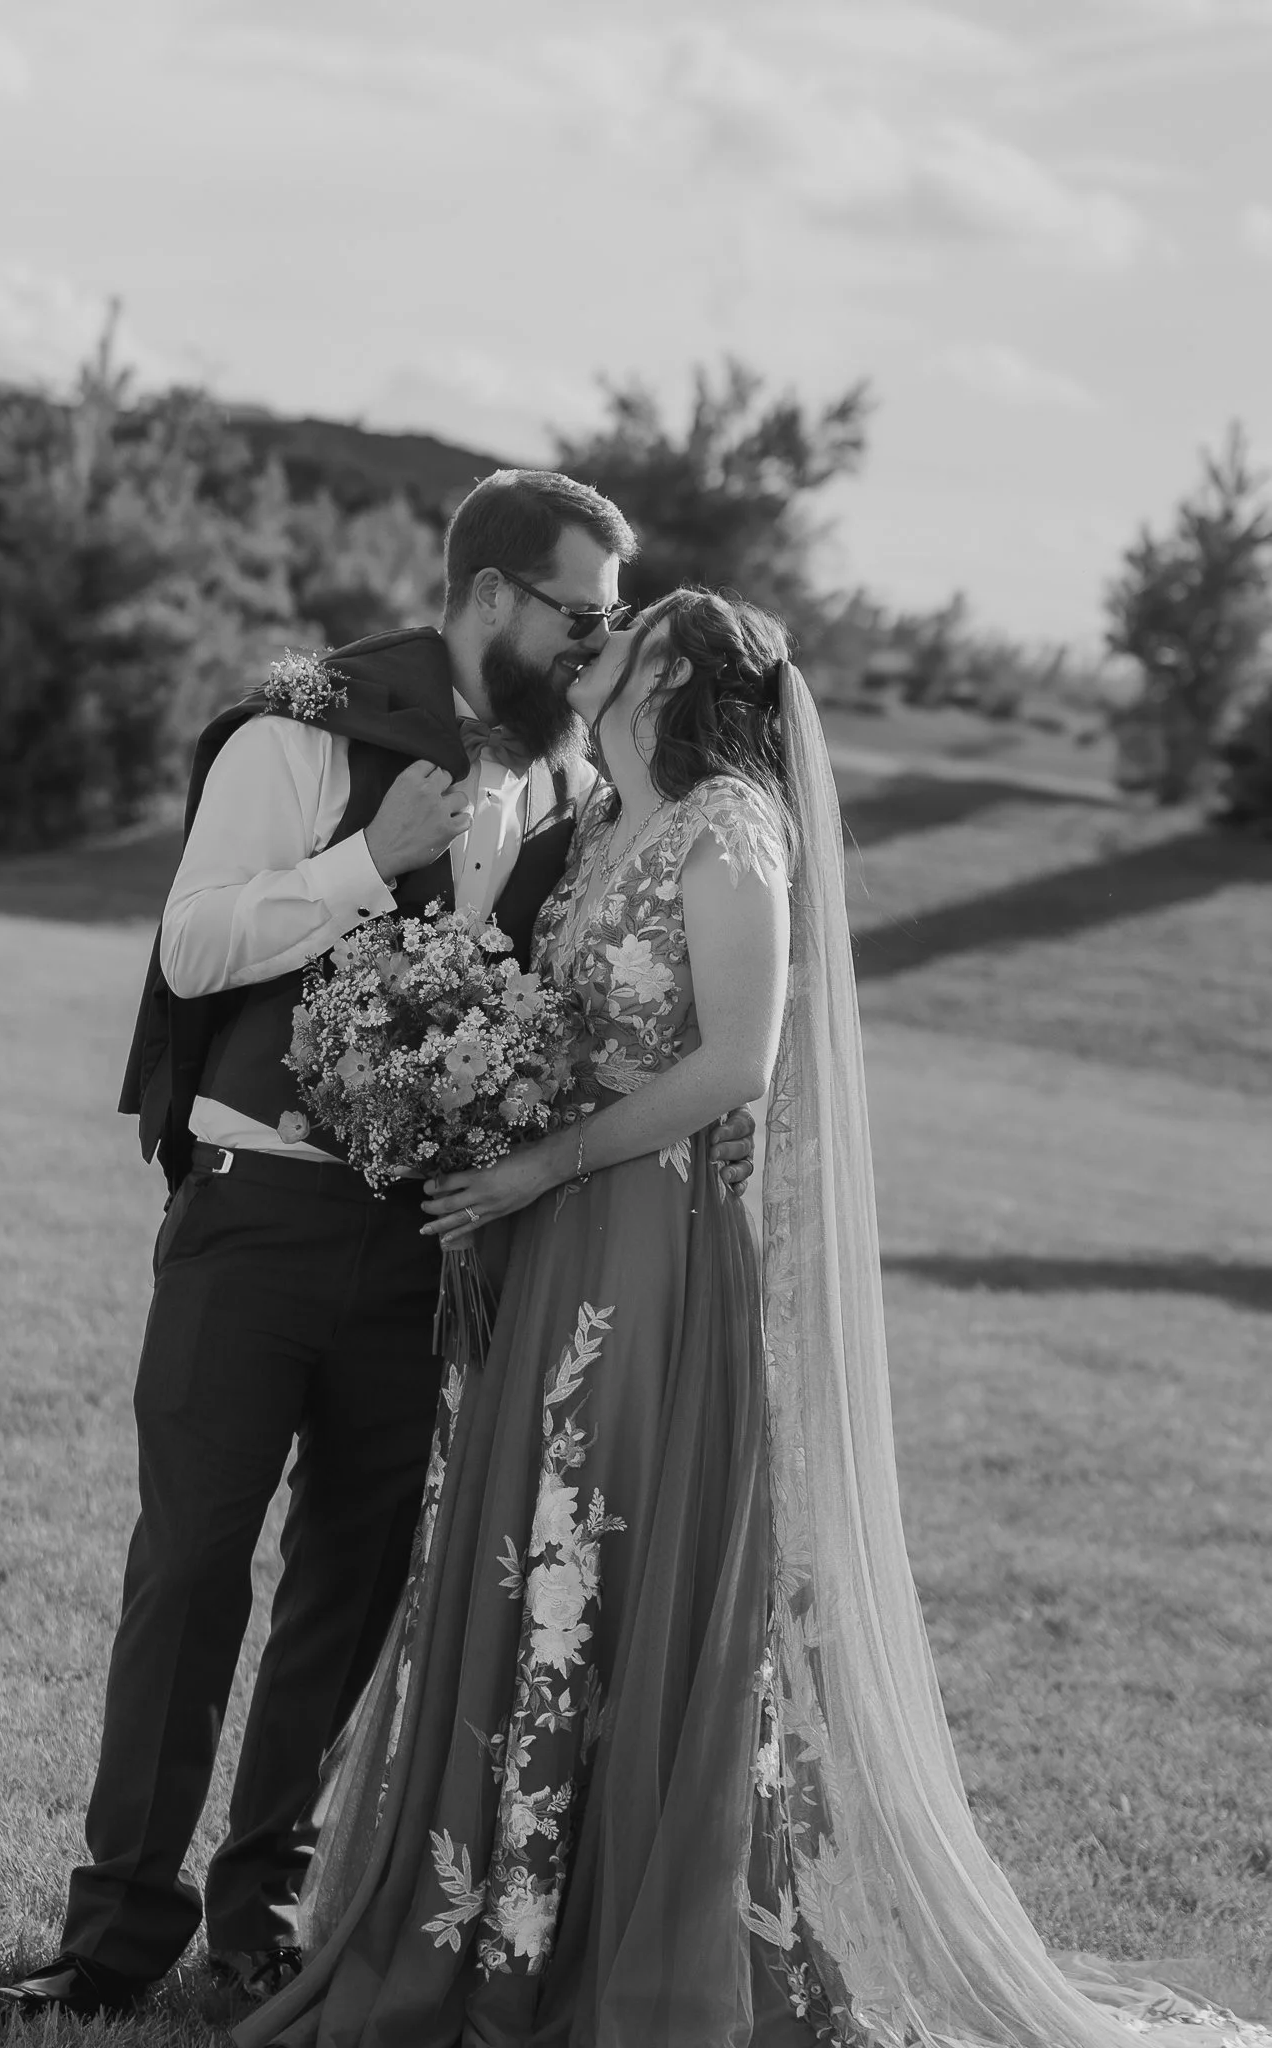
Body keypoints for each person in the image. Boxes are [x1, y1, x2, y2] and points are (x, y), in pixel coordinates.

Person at [234, 590, 1266, 2048]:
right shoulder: (607, 823)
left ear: (671, 681)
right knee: (525, 1544)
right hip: (543, 1240)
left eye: (629, 634)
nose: (598, 644)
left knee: (600, 1548)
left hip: (641, 1248)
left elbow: (737, 1064)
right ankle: (497, 1912)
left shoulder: (731, 829)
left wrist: (543, 1161)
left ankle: (598, 1944)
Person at [0, 473, 756, 2024]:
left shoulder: (574, 795)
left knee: (351, 1584)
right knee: (190, 1568)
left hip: (430, 1247)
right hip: (255, 1217)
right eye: (582, 614)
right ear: (491, 598)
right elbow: (191, 944)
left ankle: (262, 1917)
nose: (598, 645)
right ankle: (115, 1930)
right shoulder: (300, 736)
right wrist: (364, 862)